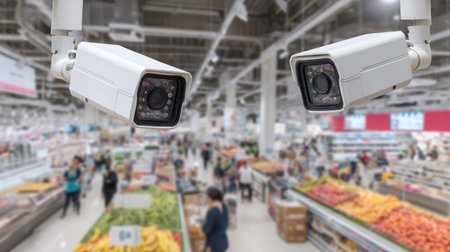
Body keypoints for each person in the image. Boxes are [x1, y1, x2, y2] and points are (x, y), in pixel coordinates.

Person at [202, 187, 229, 252]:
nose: (206, 200)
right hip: (223, 241)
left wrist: (202, 224)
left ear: (210, 198)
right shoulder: (224, 206)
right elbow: (225, 224)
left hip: (214, 244)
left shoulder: (212, 211)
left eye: (206, 198)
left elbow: (206, 229)